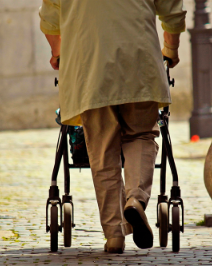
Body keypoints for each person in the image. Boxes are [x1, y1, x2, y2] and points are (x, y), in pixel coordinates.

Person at [39, 0, 186, 254]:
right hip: (139, 60)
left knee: (102, 147)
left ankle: (114, 234)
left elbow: (50, 20)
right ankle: (136, 198)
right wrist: (171, 49)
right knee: (141, 134)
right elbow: (172, 9)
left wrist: (59, 53)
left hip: (89, 66)